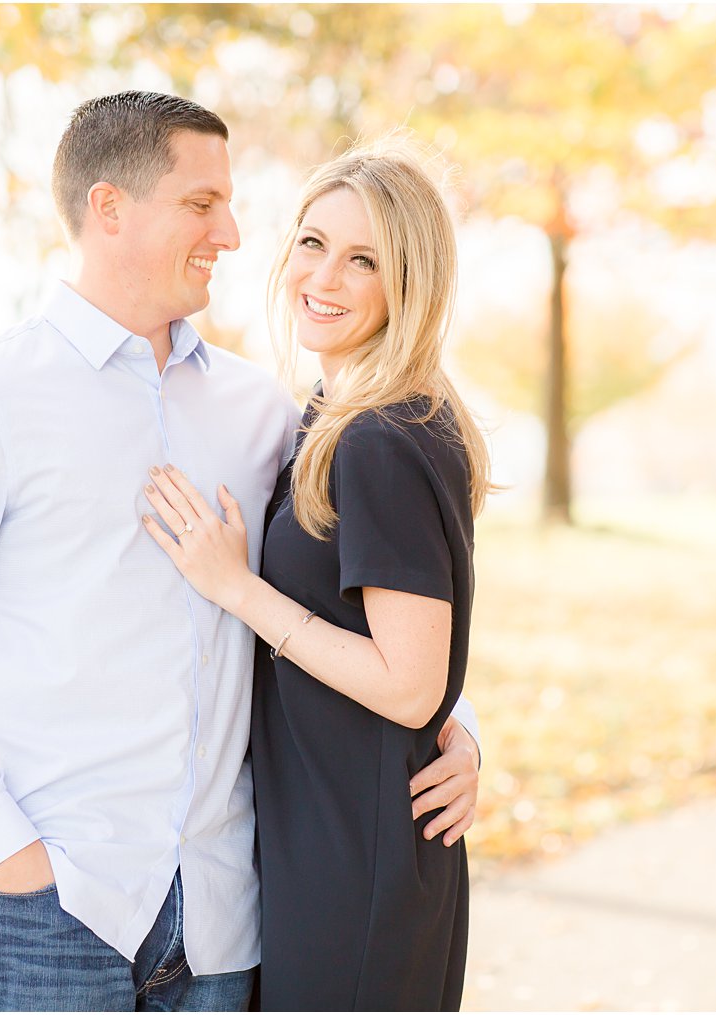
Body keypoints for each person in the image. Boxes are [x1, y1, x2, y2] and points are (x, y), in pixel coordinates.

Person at [0, 92, 481, 1012]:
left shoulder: (262, 411)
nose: (231, 232)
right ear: (110, 209)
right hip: (51, 908)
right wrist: (2, 851)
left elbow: (379, 591)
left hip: (228, 915)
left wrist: (456, 725)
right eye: (201, 204)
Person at [139, 137, 489, 1010]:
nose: (323, 277)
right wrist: (466, 727)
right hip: (325, 844)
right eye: (312, 242)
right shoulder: (342, 417)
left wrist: (237, 587)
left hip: (354, 865)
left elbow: (411, 687)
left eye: (363, 259)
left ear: (409, 283)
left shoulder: (379, 437)